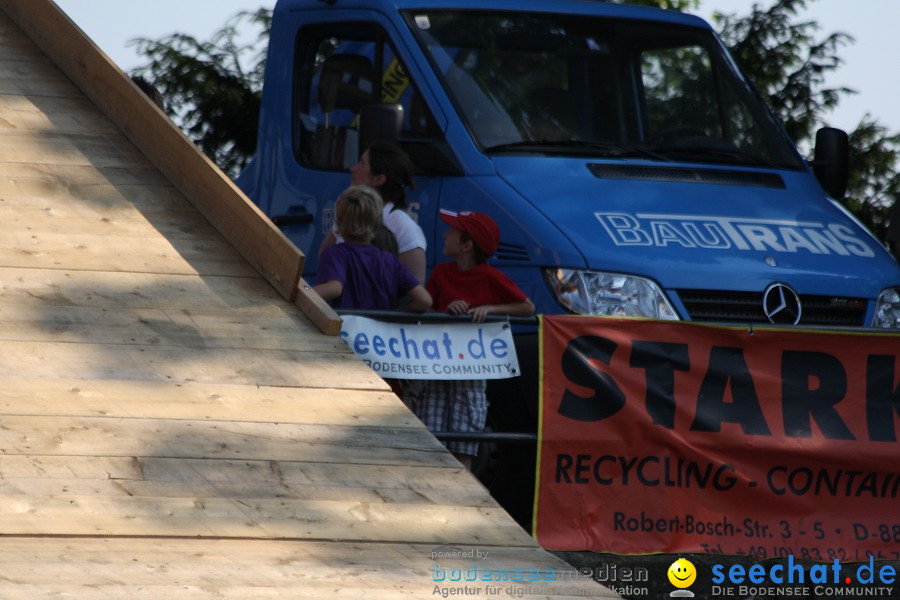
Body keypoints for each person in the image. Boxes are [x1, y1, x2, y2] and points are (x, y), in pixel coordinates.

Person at [409, 209, 535, 470]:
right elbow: (426, 312)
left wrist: (490, 309)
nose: (445, 234)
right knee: (429, 439)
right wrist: (446, 312)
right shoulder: (441, 273)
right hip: (438, 368)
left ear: (467, 245)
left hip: (470, 370)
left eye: (452, 232)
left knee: (464, 441)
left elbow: (527, 307)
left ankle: (461, 500)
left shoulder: (490, 276)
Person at [319, 141, 427, 284]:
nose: (353, 169)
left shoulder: (404, 228)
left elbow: (415, 294)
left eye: (362, 164)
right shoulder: (351, 213)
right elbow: (324, 257)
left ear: (379, 179)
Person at [313, 185, 431, 312]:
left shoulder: (334, 254)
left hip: (344, 329)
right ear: (376, 223)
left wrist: (302, 290)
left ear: (339, 223)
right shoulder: (390, 260)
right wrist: (394, 314)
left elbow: (334, 288)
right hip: (383, 330)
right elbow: (424, 301)